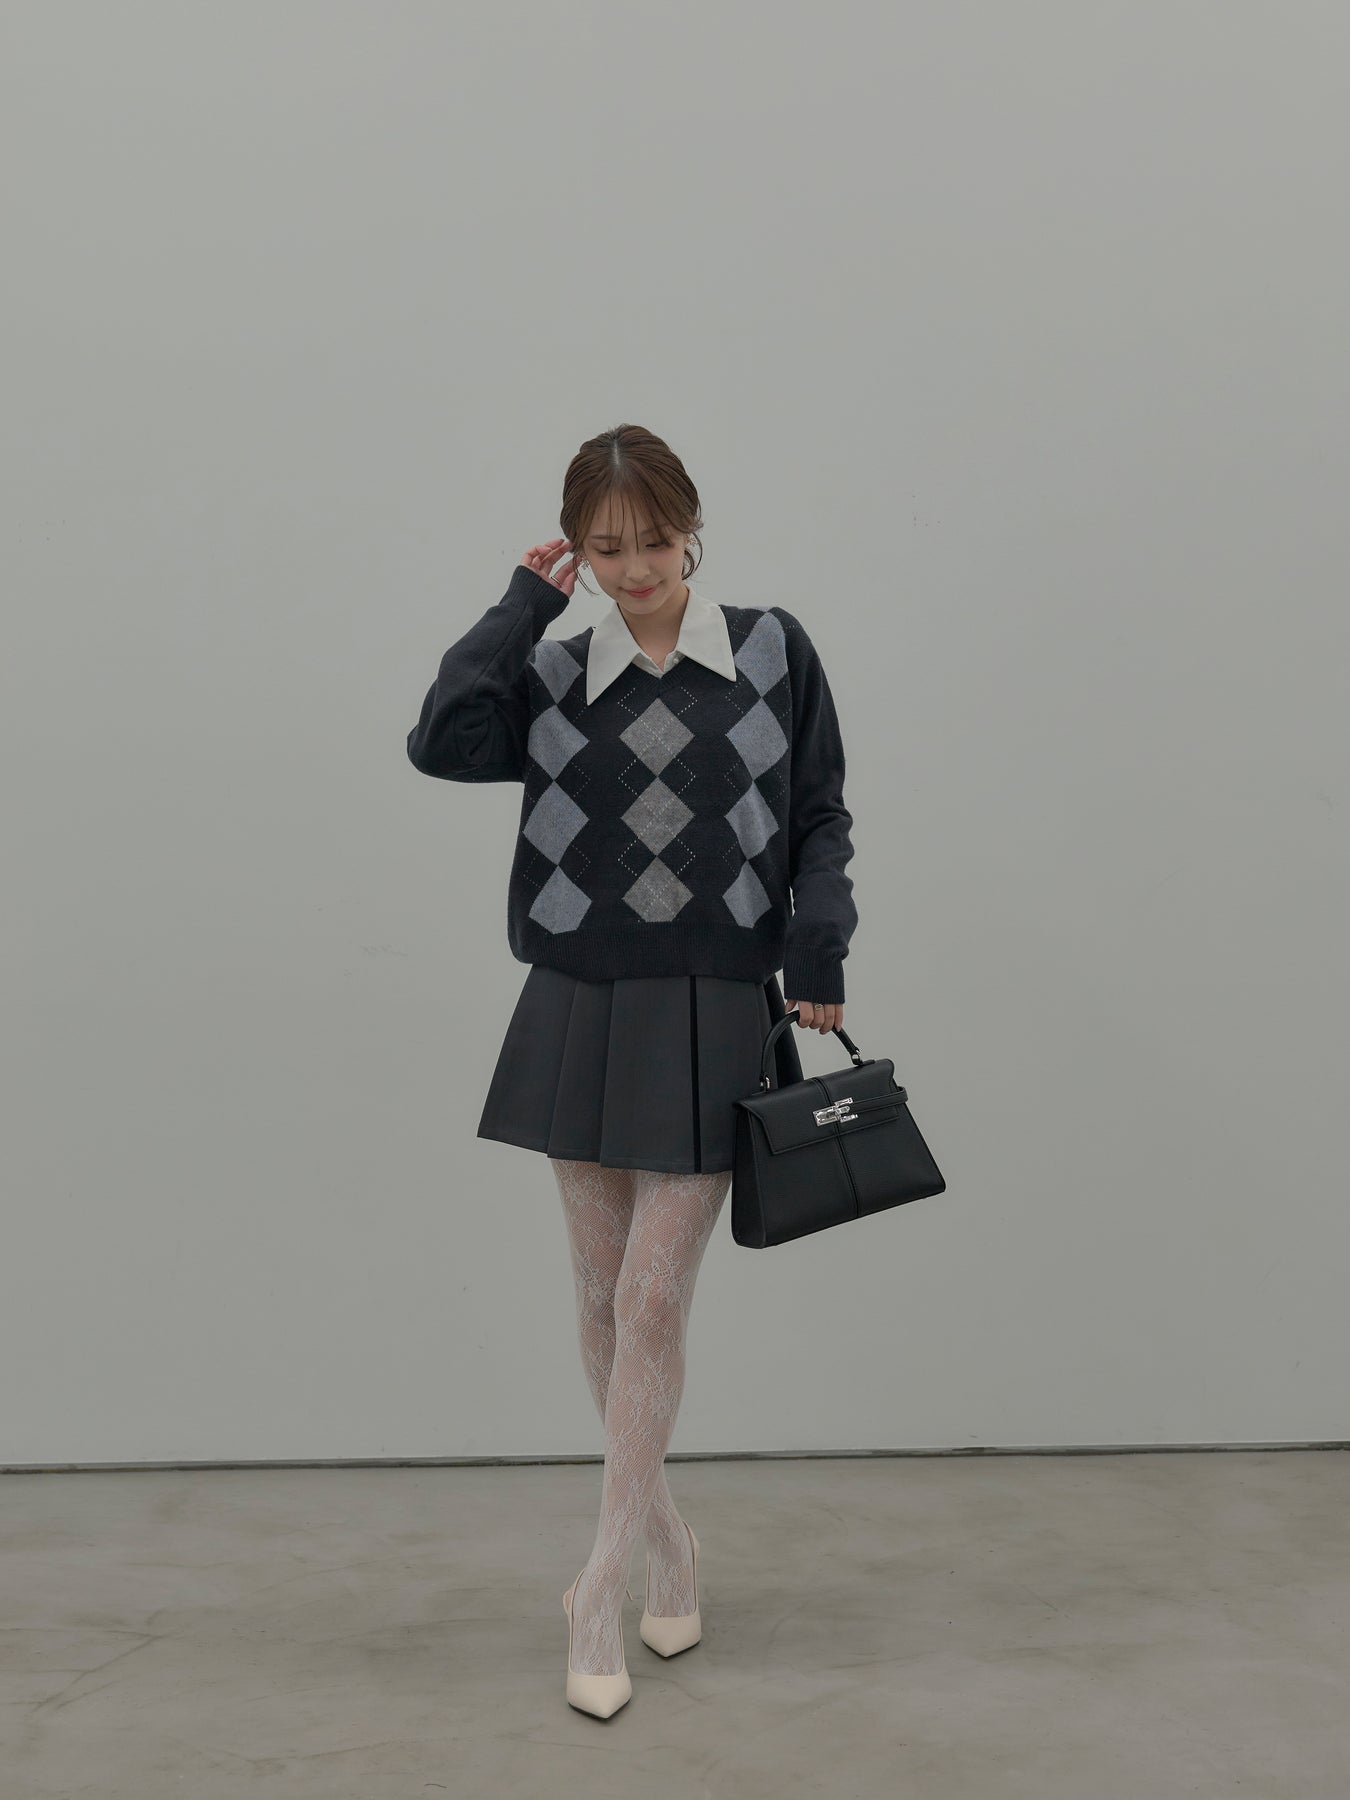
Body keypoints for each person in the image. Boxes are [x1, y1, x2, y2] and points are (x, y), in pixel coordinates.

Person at [406, 422, 858, 1717]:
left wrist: (819, 940)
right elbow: (440, 737)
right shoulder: (553, 672)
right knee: (603, 1300)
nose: (636, 568)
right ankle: (669, 1544)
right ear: (577, 553)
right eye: (605, 550)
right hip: (579, 1001)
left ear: (691, 528)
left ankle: (599, 1582)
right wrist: (520, 603)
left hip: (716, 1004)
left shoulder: (771, 650)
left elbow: (818, 812)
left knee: (654, 1303)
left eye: (655, 541)